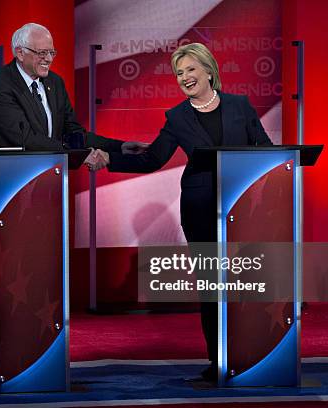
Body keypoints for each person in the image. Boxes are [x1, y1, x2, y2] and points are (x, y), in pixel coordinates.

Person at [87, 43, 273, 381]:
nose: (184, 78)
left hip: (242, 207)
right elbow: (152, 159)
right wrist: (110, 158)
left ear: (208, 70)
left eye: (190, 70)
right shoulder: (177, 117)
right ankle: (220, 360)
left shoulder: (239, 106)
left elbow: (267, 152)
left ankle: (253, 356)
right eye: (179, 73)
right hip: (201, 210)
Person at [0, 22, 148, 156]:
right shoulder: (1, 84)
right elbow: (25, 139)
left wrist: (119, 147)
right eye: (42, 53)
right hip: (9, 184)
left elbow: (74, 133)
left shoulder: (55, 83)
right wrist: (78, 155)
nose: (48, 59)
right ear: (20, 53)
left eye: (51, 52)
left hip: (50, 181)